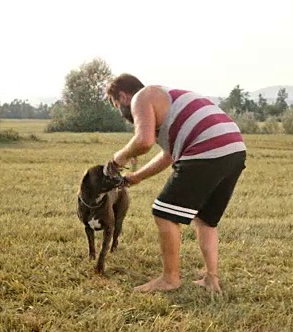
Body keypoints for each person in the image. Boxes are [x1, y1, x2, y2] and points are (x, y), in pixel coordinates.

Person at [104, 73, 247, 293]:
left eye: (116, 104)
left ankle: (170, 279)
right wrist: (137, 176)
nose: (121, 111)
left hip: (207, 146)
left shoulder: (142, 96)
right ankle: (211, 279)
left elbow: (143, 141)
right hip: (234, 148)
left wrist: (119, 157)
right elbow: (169, 156)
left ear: (123, 96)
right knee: (206, 219)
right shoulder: (166, 104)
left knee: (163, 213)